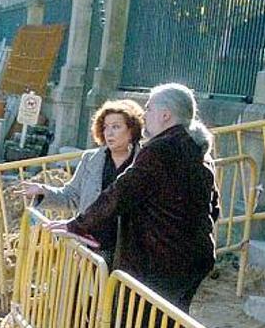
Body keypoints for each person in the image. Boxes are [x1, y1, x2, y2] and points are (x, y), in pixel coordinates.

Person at [49, 83, 219, 314]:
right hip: (193, 258)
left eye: (149, 110)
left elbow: (120, 193)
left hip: (160, 262)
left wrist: (77, 225)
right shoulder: (197, 150)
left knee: (137, 317)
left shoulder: (161, 149)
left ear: (165, 115)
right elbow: (213, 207)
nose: (145, 115)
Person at [21, 99, 144, 267]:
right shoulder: (90, 159)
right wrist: (44, 192)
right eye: (106, 127)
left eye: (116, 127)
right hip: (90, 245)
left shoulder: (144, 162)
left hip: (128, 251)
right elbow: (72, 196)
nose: (109, 133)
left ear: (132, 129)